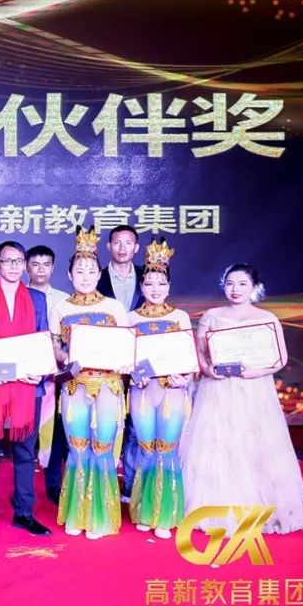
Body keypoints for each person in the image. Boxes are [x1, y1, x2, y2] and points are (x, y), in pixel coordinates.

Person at [180, 263, 303, 535]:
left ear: (254, 287)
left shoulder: (267, 319)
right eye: (230, 283)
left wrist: (254, 372)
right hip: (218, 389)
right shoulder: (211, 316)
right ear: (223, 286)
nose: (235, 289)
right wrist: (208, 370)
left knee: (255, 444)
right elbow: (200, 353)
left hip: (254, 389)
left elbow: (279, 359)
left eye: (242, 284)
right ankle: (215, 509)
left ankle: (259, 509)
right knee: (218, 444)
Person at [48, 229, 129, 539]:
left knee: (103, 446)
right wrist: (65, 357)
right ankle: (77, 513)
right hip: (75, 386)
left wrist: (124, 362)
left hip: (108, 385)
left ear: (99, 273)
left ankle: (100, 516)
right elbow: (55, 346)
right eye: (79, 271)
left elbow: (126, 347)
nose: (85, 276)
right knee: (78, 447)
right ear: (69, 275)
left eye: (91, 270)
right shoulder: (61, 309)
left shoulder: (113, 308)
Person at [0, 241, 52, 539]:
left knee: (25, 453)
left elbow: (43, 339)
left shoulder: (37, 299)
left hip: (28, 387)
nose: (14, 266)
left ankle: (24, 513)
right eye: (8, 261)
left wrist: (41, 369)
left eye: (19, 260)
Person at [125, 240, 191, 540]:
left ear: (169, 286)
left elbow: (189, 357)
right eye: (149, 283)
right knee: (146, 448)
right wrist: (132, 374)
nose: (155, 288)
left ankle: (165, 514)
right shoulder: (131, 319)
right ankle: (144, 510)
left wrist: (185, 377)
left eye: (161, 283)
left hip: (171, 391)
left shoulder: (180, 317)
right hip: (142, 391)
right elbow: (124, 357)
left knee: (167, 449)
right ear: (141, 286)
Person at [96, 225, 144, 504]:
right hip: (105, 363)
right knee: (107, 424)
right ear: (109, 246)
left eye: (128, 243)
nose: (122, 248)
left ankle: (132, 484)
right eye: (117, 242)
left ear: (136, 247)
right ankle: (103, 486)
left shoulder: (149, 277)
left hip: (139, 362)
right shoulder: (95, 277)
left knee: (137, 426)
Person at [27, 245, 70, 499]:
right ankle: (25, 490)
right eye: (35, 264)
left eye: (46, 264)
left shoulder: (65, 301)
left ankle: (54, 483)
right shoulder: (18, 297)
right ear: (27, 267)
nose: (41, 269)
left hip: (58, 378)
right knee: (28, 434)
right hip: (29, 375)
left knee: (56, 432)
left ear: (53, 268)